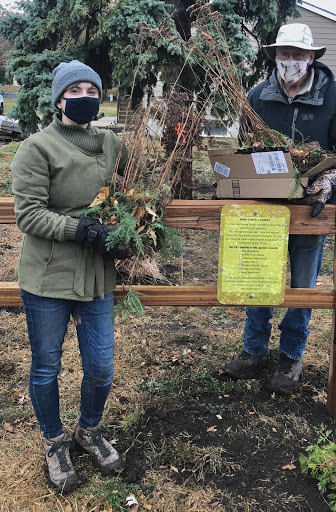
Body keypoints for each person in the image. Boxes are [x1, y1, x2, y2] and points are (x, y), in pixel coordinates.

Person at [223, 23, 336, 394]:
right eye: (285, 54)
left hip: (310, 211)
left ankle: (290, 356)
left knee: (303, 285)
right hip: (264, 208)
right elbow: (244, 150)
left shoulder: (335, 96)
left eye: (299, 54)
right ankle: (254, 350)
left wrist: (330, 179)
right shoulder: (258, 97)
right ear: (275, 56)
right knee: (257, 279)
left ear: (312, 57)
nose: (291, 61)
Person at [11, 60, 133, 493]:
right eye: (76, 90)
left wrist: (141, 210)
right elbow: (27, 214)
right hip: (48, 276)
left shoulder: (110, 142)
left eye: (92, 89)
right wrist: (79, 228)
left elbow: (137, 182)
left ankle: (89, 429)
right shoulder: (36, 148)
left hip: (97, 274)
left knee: (100, 367)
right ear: (59, 99)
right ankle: (54, 441)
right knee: (47, 367)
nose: (85, 97)